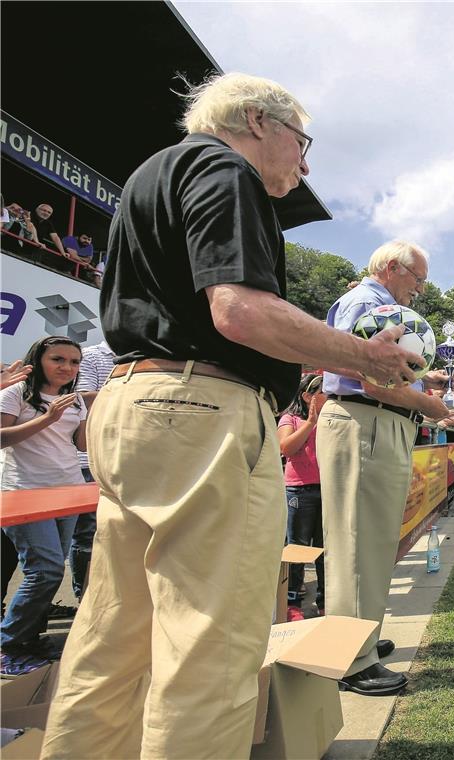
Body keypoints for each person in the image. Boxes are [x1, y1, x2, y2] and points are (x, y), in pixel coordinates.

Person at [40, 73, 424, 760]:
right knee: (210, 647)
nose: (303, 166)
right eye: (301, 144)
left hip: (136, 403)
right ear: (257, 120)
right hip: (201, 410)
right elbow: (241, 311)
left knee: (111, 637)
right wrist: (365, 357)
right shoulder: (226, 169)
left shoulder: (153, 174)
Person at [319, 239, 450, 697]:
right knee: (357, 545)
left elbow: (378, 373)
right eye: (418, 280)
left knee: (370, 544)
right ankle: (352, 660)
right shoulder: (366, 302)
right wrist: (428, 405)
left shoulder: (375, 305)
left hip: (375, 424)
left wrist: (421, 379)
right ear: (392, 268)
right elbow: (367, 381)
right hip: (365, 422)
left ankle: (364, 641)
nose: (420, 290)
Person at [1, 336, 87, 677]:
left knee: (51, 568)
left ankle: (29, 638)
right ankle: (9, 643)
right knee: (46, 569)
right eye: (58, 359)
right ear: (38, 360)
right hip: (23, 493)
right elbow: (2, 438)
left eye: (74, 362)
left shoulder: (75, 398)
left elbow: (80, 443)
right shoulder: (15, 393)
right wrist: (47, 418)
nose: (67, 367)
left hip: (69, 491)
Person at [68, 340, 116, 602]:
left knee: (111, 533)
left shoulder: (138, 359)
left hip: (117, 458)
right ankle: (83, 597)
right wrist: (128, 390)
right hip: (87, 459)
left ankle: (100, 595)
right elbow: (83, 399)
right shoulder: (92, 356)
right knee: (86, 534)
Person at [278, 373, 327, 621]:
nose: (328, 396)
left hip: (326, 490)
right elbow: (286, 448)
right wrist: (309, 423)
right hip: (299, 491)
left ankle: (324, 601)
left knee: (324, 549)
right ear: (308, 396)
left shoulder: (332, 420)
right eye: (323, 392)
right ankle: (292, 602)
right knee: (297, 548)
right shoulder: (291, 419)